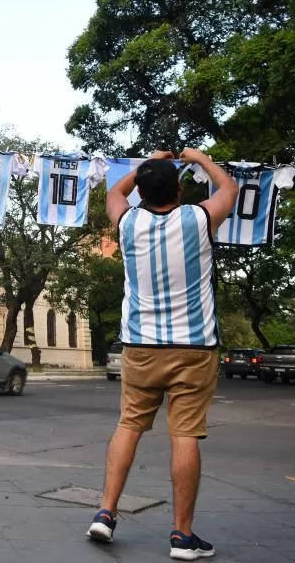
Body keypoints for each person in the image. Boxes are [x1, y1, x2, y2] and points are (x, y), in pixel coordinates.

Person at [86, 149, 237, 561]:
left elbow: (113, 194)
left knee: (129, 425)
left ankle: (105, 513)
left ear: (143, 191)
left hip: (139, 346)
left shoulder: (127, 222)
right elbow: (229, 187)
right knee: (184, 435)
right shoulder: (199, 219)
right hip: (194, 347)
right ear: (180, 189)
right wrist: (201, 157)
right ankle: (182, 536)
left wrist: (143, 167)